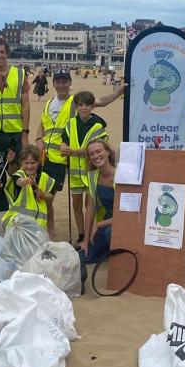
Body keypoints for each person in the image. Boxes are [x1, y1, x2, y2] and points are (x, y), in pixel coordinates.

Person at [35, 69, 125, 238]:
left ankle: (86, 234)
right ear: (53, 83)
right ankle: (51, 229)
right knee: (47, 197)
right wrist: (38, 138)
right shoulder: (49, 103)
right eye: (58, 81)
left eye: (65, 81)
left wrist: (119, 91)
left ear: (70, 84)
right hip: (49, 158)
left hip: (68, 160)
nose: (61, 85)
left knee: (87, 200)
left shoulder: (75, 102)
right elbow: (42, 123)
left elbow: (101, 102)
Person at [60, 90, 109, 245]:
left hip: (91, 172)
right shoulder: (70, 124)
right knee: (76, 205)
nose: (84, 108)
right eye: (80, 105)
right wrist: (63, 148)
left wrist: (73, 152)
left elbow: (93, 148)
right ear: (76, 106)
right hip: (74, 174)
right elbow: (64, 141)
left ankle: (89, 235)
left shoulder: (98, 124)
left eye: (87, 105)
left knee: (90, 206)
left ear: (92, 106)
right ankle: (81, 235)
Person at [79, 138, 115, 265]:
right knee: (84, 258)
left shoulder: (121, 175)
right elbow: (90, 207)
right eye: (91, 154)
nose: (96, 156)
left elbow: (126, 215)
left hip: (119, 224)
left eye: (99, 151)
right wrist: (86, 238)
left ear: (108, 152)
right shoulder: (92, 176)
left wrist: (98, 225)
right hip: (104, 225)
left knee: (110, 233)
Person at [3, 145, 55, 230]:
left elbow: (51, 196)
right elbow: (19, 181)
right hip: (19, 225)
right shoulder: (18, 174)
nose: (29, 166)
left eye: (33, 163)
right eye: (26, 163)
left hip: (39, 227)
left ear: (38, 162)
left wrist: (44, 195)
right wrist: (27, 181)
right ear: (21, 164)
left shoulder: (45, 177)